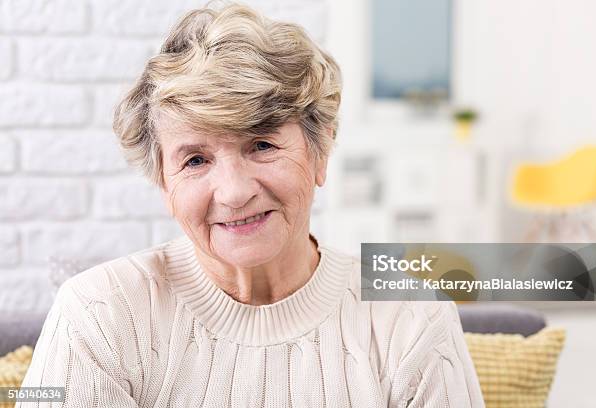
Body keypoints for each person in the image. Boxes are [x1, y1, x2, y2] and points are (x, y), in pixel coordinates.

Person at [19, 2, 485, 406]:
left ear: (319, 152)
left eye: (261, 144)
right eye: (196, 159)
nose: (234, 191)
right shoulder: (100, 312)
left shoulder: (412, 316)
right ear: (165, 184)